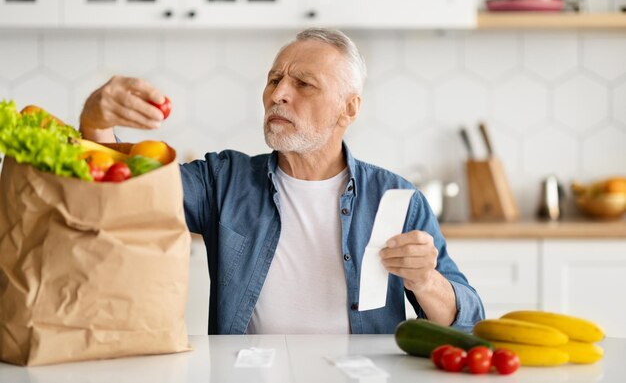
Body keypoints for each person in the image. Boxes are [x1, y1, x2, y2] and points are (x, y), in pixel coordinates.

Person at [79, 28, 484, 335]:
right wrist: (96, 122)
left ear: (349, 108)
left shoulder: (396, 200)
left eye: (303, 83)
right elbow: (121, 190)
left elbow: (468, 319)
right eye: (274, 80)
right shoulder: (223, 181)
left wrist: (425, 280)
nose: (279, 94)